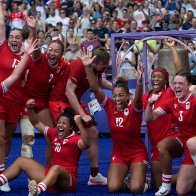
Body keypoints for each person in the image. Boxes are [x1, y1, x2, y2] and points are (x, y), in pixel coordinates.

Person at [83, 53, 150, 193]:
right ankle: (127, 179)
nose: (117, 99)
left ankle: (144, 180)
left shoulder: (134, 107)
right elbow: (96, 89)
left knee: (136, 189)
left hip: (137, 153)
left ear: (128, 96)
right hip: (119, 154)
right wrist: (88, 67)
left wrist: (138, 83)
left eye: (121, 95)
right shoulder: (110, 106)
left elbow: (138, 100)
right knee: (113, 188)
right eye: (114, 95)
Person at [0, 101, 90, 195]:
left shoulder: (76, 138)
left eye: (64, 123)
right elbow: (36, 123)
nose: (60, 125)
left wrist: (79, 124)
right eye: (58, 122)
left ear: (71, 127)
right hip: (50, 180)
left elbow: (86, 144)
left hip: (68, 181)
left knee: (56, 168)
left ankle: (37, 190)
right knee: (21, 160)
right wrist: (30, 109)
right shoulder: (54, 132)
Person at [20, 16, 68, 165]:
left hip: (42, 103)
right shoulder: (38, 58)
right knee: (26, 139)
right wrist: (33, 29)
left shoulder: (64, 66)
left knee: (52, 139)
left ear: (61, 55)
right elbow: (35, 46)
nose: (52, 53)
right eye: (50, 50)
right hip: (24, 100)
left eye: (56, 51)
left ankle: (50, 173)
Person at [142, 39, 184, 195]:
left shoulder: (170, 92)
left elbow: (179, 70)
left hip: (173, 138)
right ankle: (187, 177)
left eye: (160, 77)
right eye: (154, 76)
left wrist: (172, 48)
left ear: (166, 81)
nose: (156, 79)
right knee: (157, 183)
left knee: (163, 147)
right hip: (155, 146)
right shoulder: (146, 97)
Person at [145, 73, 196, 196]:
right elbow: (150, 117)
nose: (176, 86)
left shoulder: (194, 99)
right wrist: (150, 104)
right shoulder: (172, 102)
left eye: (181, 83)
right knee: (181, 190)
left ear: (189, 85)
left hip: (193, 142)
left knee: (191, 143)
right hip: (185, 142)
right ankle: (166, 186)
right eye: (175, 83)